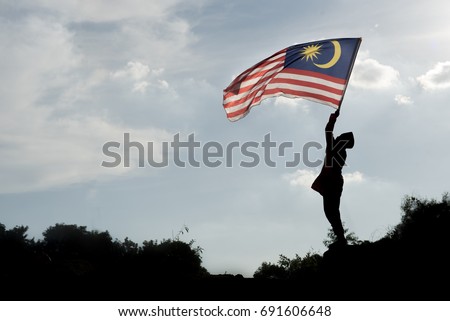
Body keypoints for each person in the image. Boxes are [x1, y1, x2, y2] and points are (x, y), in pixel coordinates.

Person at [311, 108, 354, 248]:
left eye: (341, 137)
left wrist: (333, 119)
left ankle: (341, 238)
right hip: (331, 180)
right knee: (330, 211)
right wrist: (333, 118)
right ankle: (340, 237)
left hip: (332, 181)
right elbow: (328, 132)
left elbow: (328, 131)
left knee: (331, 210)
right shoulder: (337, 147)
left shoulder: (338, 148)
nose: (338, 137)